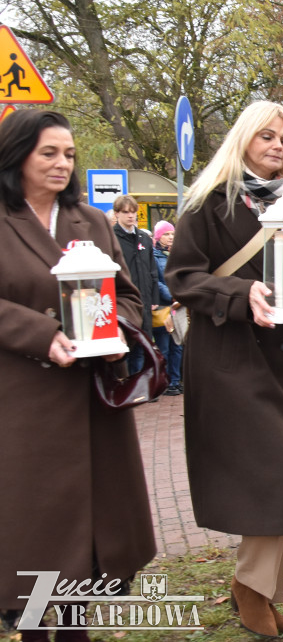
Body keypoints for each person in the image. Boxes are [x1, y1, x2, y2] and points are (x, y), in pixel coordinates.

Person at [165, 101, 283, 638]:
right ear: (243, 140)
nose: (278, 147)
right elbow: (183, 277)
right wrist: (242, 293)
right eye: (266, 136)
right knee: (276, 478)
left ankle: (259, 592)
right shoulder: (206, 204)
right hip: (229, 360)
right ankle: (251, 590)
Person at [0, 110, 155, 640]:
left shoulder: (90, 220)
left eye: (68, 154)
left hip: (92, 402)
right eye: (49, 153)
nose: (62, 163)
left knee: (90, 531)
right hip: (21, 402)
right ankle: (30, 627)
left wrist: (114, 332)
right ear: (17, 155)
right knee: (30, 527)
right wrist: (39, 333)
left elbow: (130, 298)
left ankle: (73, 629)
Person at [110, 194, 161, 373]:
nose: (130, 216)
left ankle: (139, 389)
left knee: (142, 345)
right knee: (124, 347)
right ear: (117, 214)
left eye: (133, 212)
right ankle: (124, 386)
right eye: (125, 212)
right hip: (123, 302)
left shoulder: (144, 238)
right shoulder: (112, 237)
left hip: (144, 300)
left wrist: (155, 297)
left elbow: (153, 271)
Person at [152, 219, 184, 395]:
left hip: (178, 306)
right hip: (164, 306)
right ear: (158, 237)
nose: (170, 237)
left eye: (172, 233)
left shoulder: (177, 254)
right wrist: (171, 294)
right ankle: (162, 382)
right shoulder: (153, 256)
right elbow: (155, 280)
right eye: (166, 234)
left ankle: (175, 380)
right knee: (163, 347)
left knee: (177, 346)